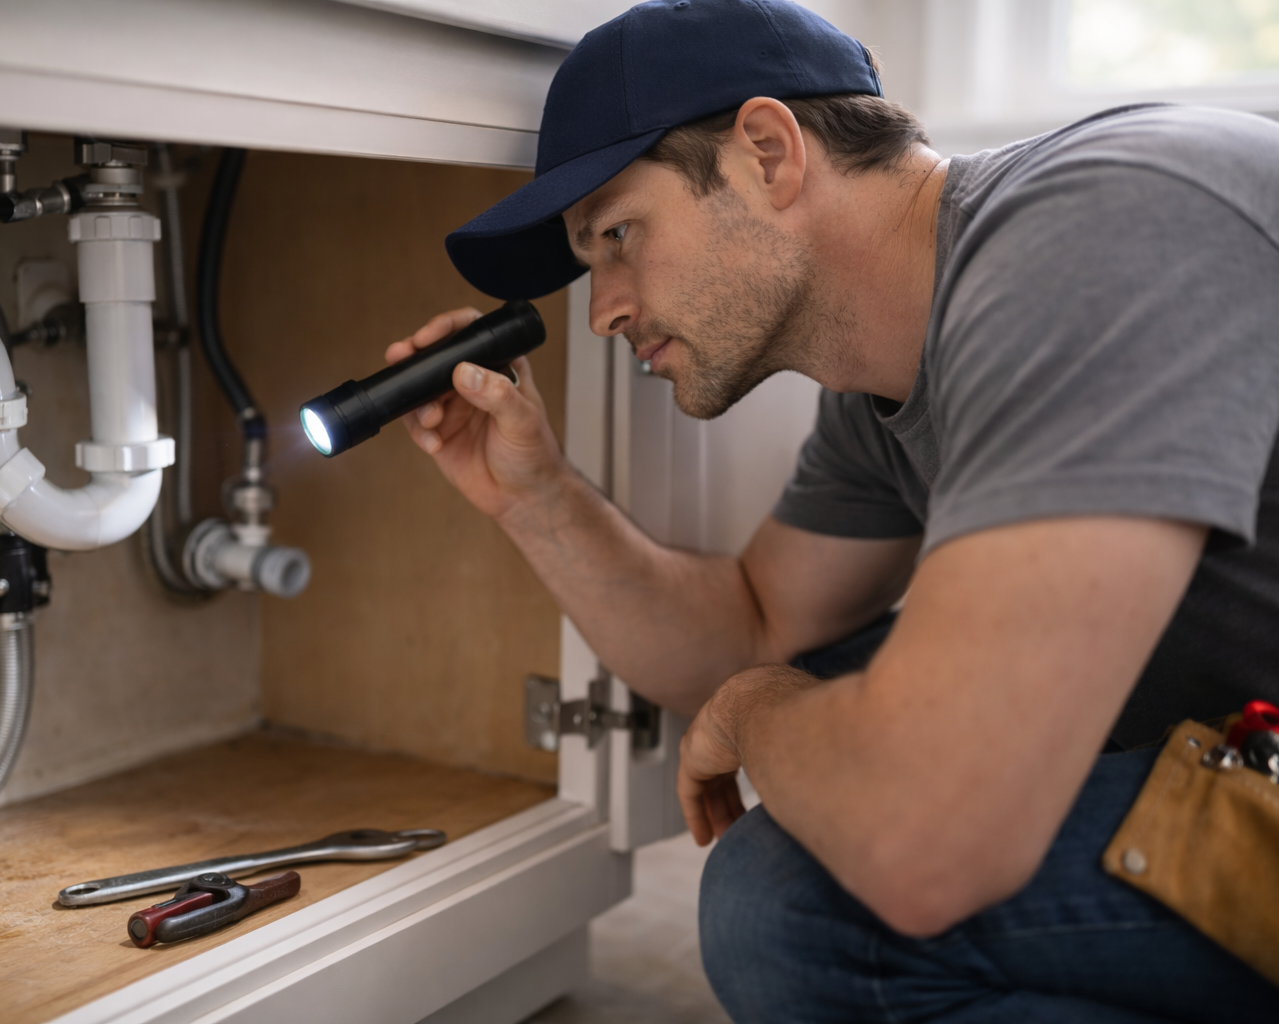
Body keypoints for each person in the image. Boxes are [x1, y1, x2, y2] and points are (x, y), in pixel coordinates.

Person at [386, 1, 1279, 1019]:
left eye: (620, 236)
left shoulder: (1101, 229)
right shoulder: (882, 389)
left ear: (768, 153)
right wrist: (533, 493)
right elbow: (754, 630)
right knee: (841, 691)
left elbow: (922, 844)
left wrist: (757, 709)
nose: (603, 312)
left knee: (798, 901)